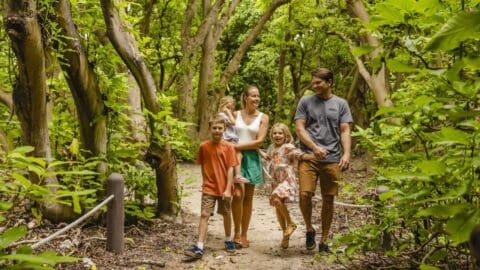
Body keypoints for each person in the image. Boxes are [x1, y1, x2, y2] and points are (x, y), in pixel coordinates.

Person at [294, 67, 353, 252]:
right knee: (305, 195)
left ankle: (324, 240)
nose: (314, 85)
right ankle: (310, 229)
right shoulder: (305, 101)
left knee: (329, 199)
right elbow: (300, 128)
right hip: (309, 156)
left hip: (332, 158)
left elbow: (344, 130)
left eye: (318, 82)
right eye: (313, 82)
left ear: (329, 82)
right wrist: (314, 147)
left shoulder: (341, 104)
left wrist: (346, 154)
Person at [185, 115, 238, 259]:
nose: (217, 131)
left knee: (226, 213)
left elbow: (230, 169)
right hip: (209, 187)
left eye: (220, 128)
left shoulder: (229, 147)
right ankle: (199, 246)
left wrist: (228, 189)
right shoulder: (204, 146)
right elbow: (203, 166)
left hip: (224, 188)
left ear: (224, 129)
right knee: (204, 214)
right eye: (214, 128)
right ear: (210, 129)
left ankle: (228, 240)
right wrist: (205, 183)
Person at [263, 123, 315, 249]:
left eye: (280, 133)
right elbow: (267, 157)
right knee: (277, 206)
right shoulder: (271, 147)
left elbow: (299, 155)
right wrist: (255, 149)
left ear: (285, 135)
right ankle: (285, 235)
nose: (277, 135)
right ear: (271, 136)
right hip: (276, 181)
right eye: (274, 133)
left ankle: (291, 223)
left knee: (275, 198)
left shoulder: (288, 147)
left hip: (287, 180)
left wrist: (314, 156)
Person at [231, 85, 269, 248]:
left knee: (248, 198)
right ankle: (236, 233)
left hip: (252, 159)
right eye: (253, 96)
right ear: (245, 97)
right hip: (235, 158)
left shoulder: (263, 117)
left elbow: (259, 141)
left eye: (258, 96)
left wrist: (237, 146)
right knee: (238, 195)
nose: (256, 99)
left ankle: (244, 234)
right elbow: (227, 135)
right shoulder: (235, 114)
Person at [217, 96, 250, 184]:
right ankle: (236, 175)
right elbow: (233, 122)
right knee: (237, 155)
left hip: (232, 140)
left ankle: (237, 175)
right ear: (222, 106)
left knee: (239, 155)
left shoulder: (227, 115)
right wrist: (228, 112)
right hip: (227, 140)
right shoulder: (221, 115)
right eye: (228, 108)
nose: (230, 110)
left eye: (231, 108)